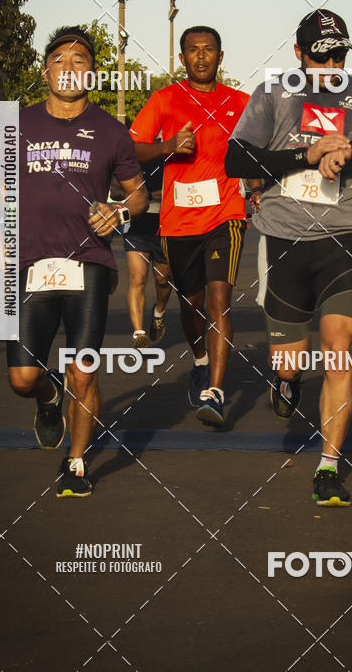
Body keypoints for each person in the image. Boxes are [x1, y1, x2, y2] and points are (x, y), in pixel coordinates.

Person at [225, 9, 352, 506]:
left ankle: (328, 467)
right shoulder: (273, 94)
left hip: (342, 238)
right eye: (321, 56)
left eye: (339, 55)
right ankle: (287, 382)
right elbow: (236, 158)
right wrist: (305, 156)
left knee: (339, 350)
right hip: (283, 241)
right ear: (299, 54)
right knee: (289, 363)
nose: (331, 66)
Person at [7, 26, 147, 497]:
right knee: (22, 378)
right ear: (45, 70)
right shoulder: (14, 125)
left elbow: (139, 195)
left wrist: (119, 212)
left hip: (89, 262)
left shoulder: (111, 131)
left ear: (92, 72)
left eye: (80, 60)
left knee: (83, 371)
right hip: (28, 263)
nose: (69, 68)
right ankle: (49, 396)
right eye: (60, 60)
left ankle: (76, 463)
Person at [130, 26, 262, 426]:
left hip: (225, 215)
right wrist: (167, 146)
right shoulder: (164, 99)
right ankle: (200, 361)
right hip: (178, 221)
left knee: (220, 299)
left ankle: (216, 393)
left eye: (208, 50)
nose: (201, 56)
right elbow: (130, 148)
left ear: (221, 57)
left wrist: (255, 189)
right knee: (192, 305)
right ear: (182, 58)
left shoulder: (241, 102)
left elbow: (250, 153)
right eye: (193, 50)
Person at [122, 155, 172, 348]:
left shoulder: (171, 155)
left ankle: (158, 312)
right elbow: (117, 190)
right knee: (138, 277)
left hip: (165, 223)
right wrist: (141, 195)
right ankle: (139, 333)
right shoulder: (131, 157)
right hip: (136, 225)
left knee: (163, 279)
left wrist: (154, 194)